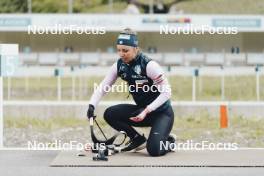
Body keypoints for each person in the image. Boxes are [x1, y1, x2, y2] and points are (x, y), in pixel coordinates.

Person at [87, 28, 175, 156]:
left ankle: (169, 141)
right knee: (110, 113)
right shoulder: (119, 65)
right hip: (141, 112)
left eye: (125, 50)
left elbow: (167, 93)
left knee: (154, 150)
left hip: (161, 114)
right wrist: (91, 105)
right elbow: (102, 87)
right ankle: (137, 139)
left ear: (135, 49)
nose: (121, 54)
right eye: (118, 50)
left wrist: (147, 110)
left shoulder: (150, 65)